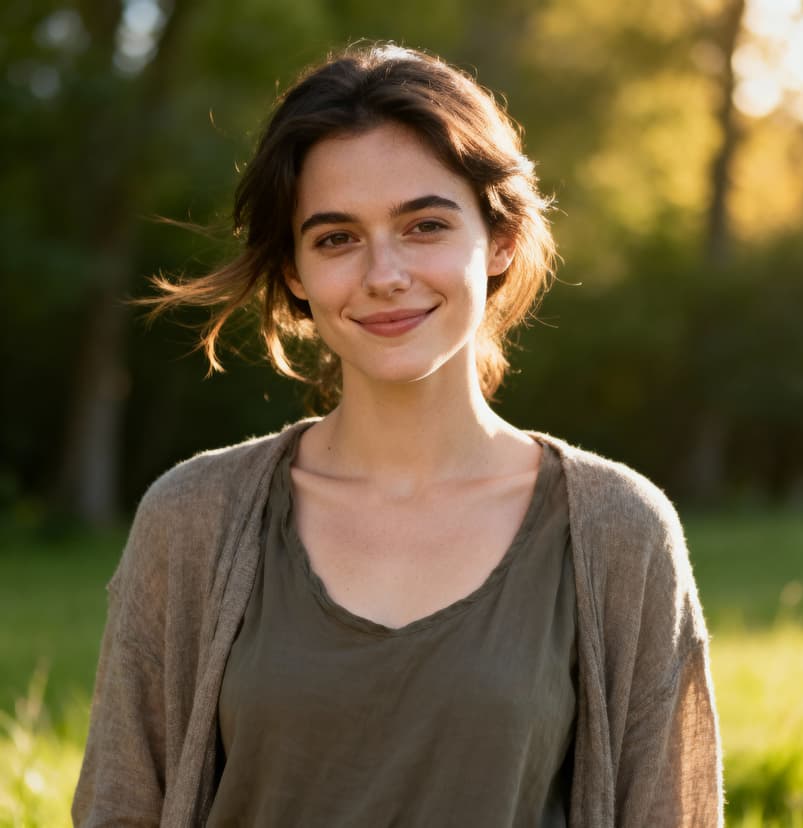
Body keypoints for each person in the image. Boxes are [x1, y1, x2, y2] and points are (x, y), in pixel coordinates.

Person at [73, 44, 722, 827]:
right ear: (293, 273)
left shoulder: (620, 530)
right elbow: (121, 808)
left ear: (503, 239)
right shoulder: (192, 518)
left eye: (424, 225)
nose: (384, 273)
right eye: (336, 238)